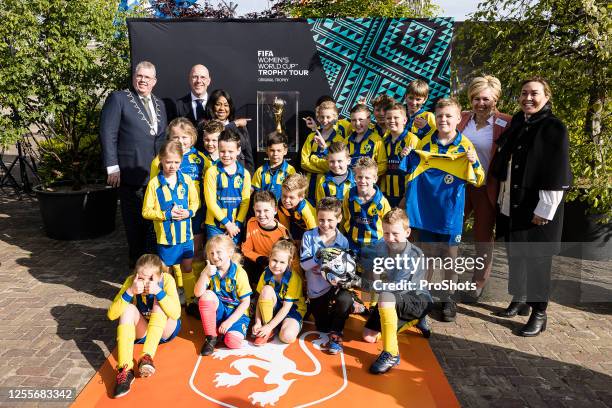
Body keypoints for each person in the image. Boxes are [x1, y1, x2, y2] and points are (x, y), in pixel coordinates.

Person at [490, 77, 571, 336]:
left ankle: (539, 312)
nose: (528, 98)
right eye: (524, 93)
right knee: (516, 255)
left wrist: (544, 210)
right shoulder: (518, 122)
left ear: (546, 96)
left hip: (536, 207)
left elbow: (556, 172)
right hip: (512, 202)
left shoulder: (553, 127)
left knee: (537, 261)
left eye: (534, 93)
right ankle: (519, 299)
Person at [400, 98, 485, 322]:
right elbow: (408, 171)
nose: (444, 120)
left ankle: (448, 298)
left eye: (449, 116)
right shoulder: (425, 143)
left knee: (450, 257)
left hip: (450, 213)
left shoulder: (465, 145)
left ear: (459, 118)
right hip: (426, 213)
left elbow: (478, 180)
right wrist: (408, 155)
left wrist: (474, 162)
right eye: (440, 116)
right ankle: (424, 297)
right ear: (434, 118)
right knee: (426, 256)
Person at [99, 61, 167, 267]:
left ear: (154, 81)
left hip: (155, 175)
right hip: (130, 174)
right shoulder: (118, 99)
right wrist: (112, 166)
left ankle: (151, 266)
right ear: (134, 77)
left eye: (148, 77)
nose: (143, 80)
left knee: (152, 223)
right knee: (134, 223)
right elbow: (107, 132)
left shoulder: (160, 104)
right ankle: (137, 267)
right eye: (140, 76)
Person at [455, 76, 512, 303]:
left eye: (485, 99)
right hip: (459, 185)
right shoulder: (462, 120)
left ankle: (477, 283)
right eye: (476, 98)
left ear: (495, 99)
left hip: (486, 187)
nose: (480, 103)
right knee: (451, 232)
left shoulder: (505, 123)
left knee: (482, 237)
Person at [361, 209, 432, 374]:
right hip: (394, 299)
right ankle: (416, 321)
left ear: (407, 232)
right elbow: (368, 260)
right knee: (368, 337)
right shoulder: (380, 244)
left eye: (395, 233)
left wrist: (363, 283)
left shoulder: (415, 255)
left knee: (385, 297)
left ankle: (392, 353)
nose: (390, 238)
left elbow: (396, 288)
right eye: (386, 233)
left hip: (417, 299)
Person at [107, 254, 181, 398]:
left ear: (159, 276)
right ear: (136, 275)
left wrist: (158, 292)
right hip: (144, 330)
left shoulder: (167, 280)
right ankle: (125, 370)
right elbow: (111, 314)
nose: (146, 282)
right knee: (127, 309)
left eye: (151, 278)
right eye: (141, 278)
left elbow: (176, 313)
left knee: (159, 305)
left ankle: (146, 356)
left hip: (165, 330)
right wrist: (130, 292)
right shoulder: (131, 282)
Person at [142, 140, 199, 309]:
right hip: (166, 239)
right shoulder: (154, 184)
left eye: (176, 162)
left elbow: (195, 202)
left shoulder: (187, 180)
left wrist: (189, 212)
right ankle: (169, 302)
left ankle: (190, 300)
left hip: (186, 235)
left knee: (187, 268)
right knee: (166, 273)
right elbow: (146, 211)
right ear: (161, 160)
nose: (172, 166)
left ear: (181, 161)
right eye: (168, 162)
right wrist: (166, 215)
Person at [300, 197, 352, 354]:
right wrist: (320, 256)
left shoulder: (343, 241)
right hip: (316, 291)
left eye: (330, 220)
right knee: (322, 326)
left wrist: (341, 277)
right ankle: (333, 312)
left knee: (345, 299)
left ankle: (337, 334)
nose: (325, 224)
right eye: (321, 220)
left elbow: (345, 270)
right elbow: (304, 264)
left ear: (339, 218)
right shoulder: (309, 237)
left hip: (334, 288)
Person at [194, 235, 252, 355]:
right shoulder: (210, 270)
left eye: (219, 252)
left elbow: (245, 302)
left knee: (232, 342)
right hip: (219, 311)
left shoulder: (239, 273)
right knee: (206, 295)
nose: (215, 257)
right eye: (211, 253)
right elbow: (198, 293)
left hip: (236, 315)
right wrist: (205, 274)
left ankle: (226, 332)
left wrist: (229, 322)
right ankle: (211, 337)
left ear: (230, 253)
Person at [252, 239, 306, 345]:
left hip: (291, 311)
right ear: (269, 257)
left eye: (282, 262)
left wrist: (269, 326)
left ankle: (279, 325)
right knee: (266, 290)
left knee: (287, 337)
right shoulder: (265, 274)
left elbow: (286, 307)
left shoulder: (293, 278)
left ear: (289, 263)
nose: (277, 265)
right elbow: (260, 299)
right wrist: (258, 322)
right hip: (274, 309)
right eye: (274, 260)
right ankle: (269, 331)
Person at [203, 129, 251, 245]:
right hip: (214, 226)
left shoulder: (245, 174)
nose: (226, 155)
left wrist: (237, 224)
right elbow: (211, 202)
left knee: (232, 258)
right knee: (215, 257)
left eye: (230, 151)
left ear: (238, 150)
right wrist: (227, 223)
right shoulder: (212, 172)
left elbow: (245, 202)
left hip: (235, 226)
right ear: (218, 150)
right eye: (222, 151)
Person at [301, 100, 348, 203]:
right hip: (309, 187)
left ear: (335, 117)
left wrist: (313, 160)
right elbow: (304, 163)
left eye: (328, 117)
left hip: (328, 188)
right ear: (318, 117)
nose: (324, 120)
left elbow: (334, 166)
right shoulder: (311, 137)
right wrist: (324, 166)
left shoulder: (339, 139)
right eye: (322, 117)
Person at [342, 157, 391, 254]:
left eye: (367, 177)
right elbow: (346, 217)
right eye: (359, 177)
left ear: (375, 179)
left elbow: (389, 225)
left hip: (375, 245)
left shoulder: (381, 202)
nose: (363, 181)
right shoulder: (349, 195)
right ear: (355, 177)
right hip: (353, 243)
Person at [242, 190, 291, 286]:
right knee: (243, 264)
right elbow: (246, 249)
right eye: (258, 211)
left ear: (275, 210)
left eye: (266, 210)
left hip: (274, 266)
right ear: (253, 209)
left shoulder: (282, 232)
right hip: (257, 262)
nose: (262, 215)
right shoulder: (251, 223)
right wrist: (259, 258)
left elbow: (286, 259)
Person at [204, 89, 254, 174]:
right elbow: (218, 132)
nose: (222, 108)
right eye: (218, 104)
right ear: (212, 106)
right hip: (214, 176)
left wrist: (250, 180)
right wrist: (234, 124)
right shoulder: (205, 124)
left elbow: (248, 156)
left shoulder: (240, 127)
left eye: (226, 105)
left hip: (239, 176)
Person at [381, 103, 419, 208]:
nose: (392, 120)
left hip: (405, 195)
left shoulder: (411, 139)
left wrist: (406, 196)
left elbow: (416, 171)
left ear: (404, 120)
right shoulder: (384, 141)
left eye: (396, 117)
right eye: (388, 118)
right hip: (386, 195)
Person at [251, 132, 296, 202]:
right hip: (265, 210)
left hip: (283, 210)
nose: (275, 154)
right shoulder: (260, 171)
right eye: (272, 150)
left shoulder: (290, 170)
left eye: (279, 150)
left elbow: (293, 193)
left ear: (285, 151)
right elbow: (255, 194)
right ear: (266, 150)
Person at [346, 104, 387, 176]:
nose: (357, 123)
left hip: (367, 184)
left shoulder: (377, 140)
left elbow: (383, 165)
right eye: (354, 120)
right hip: (349, 185)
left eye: (361, 119)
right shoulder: (346, 141)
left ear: (369, 120)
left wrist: (366, 174)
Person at [173, 64, 211, 142]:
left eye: (203, 77)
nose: (198, 81)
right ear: (189, 80)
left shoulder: (216, 104)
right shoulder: (178, 106)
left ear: (209, 81)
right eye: (195, 77)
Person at [278, 173, 317, 242]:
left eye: (291, 197)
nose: (286, 200)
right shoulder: (281, 205)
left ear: (301, 197)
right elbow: (285, 227)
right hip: (296, 225)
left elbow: (314, 232)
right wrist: (288, 240)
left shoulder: (305, 209)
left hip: (312, 229)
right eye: (284, 196)